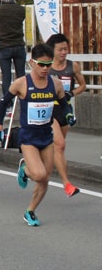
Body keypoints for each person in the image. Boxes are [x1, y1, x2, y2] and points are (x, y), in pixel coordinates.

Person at [0, 43, 71, 226]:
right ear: (31, 63)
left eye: (48, 64)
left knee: (45, 178)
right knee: (38, 174)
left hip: (46, 136)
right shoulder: (22, 83)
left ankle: (30, 211)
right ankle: (25, 169)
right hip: (28, 137)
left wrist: (69, 115)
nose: (45, 69)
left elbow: (64, 105)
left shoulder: (55, 84)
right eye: (41, 64)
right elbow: (3, 103)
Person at [46, 33, 87, 197]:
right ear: (52, 50)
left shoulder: (73, 66)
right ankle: (67, 184)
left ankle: (27, 167)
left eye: (66, 49)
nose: (64, 52)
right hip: (49, 110)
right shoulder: (46, 67)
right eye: (60, 49)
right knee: (60, 144)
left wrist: (71, 93)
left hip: (65, 109)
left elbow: (83, 85)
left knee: (55, 148)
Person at [0, 0, 26, 99]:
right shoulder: (21, 9)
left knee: (6, 77)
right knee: (21, 75)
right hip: (19, 45)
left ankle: (8, 104)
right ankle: (24, 99)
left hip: (4, 46)